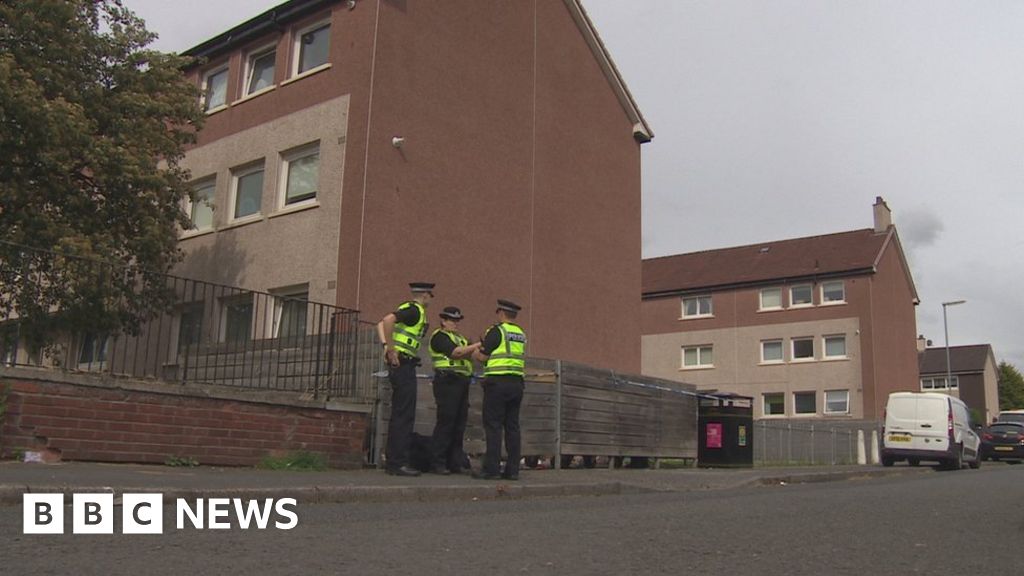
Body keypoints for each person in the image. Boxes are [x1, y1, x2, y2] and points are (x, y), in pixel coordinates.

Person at [376, 282, 434, 476]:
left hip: (402, 364)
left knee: (400, 413)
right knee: (404, 414)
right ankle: (397, 463)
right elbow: (386, 320)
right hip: (403, 364)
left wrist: (386, 346)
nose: (431, 299)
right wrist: (390, 349)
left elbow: (381, 324)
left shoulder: (407, 309)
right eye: (430, 295)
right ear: (425, 295)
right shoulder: (414, 310)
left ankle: (394, 460)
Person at [472, 299, 527, 480]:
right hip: (517, 383)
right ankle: (513, 471)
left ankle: (492, 469)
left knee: (494, 426)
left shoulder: (497, 331)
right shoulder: (520, 333)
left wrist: (474, 352)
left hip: (497, 384)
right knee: (512, 427)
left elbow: (483, 357)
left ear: (501, 313)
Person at [427, 306, 480, 474]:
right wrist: (479, 344)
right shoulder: (439, 336)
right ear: (443, 321)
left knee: (459, 424)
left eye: (458, 320)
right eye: (452, 320)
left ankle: (454, 462)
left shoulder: (461, 339)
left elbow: (472, 355)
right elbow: (455, 353)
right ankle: (438, 462)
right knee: (446, 422)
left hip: (462, 382)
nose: (456, 324)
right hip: (447, 381)